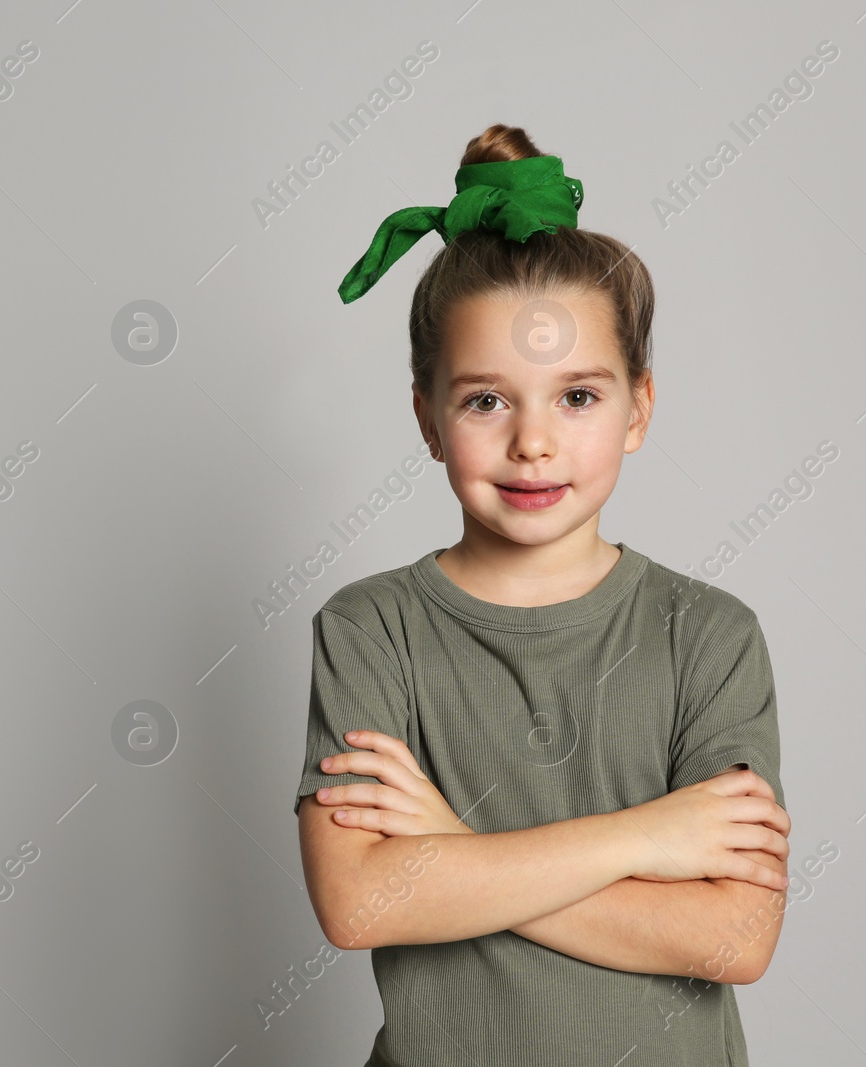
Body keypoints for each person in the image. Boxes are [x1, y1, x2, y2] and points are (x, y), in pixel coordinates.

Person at [292, 123, 794, 1067]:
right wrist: (648, 836)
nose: (532, 442)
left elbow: (736, 939)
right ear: (428, 417)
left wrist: (448, 845)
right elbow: (360, 903)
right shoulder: (372, 631)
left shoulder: (710, 637)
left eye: (577, 396)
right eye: (486, 399)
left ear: (638, 406)